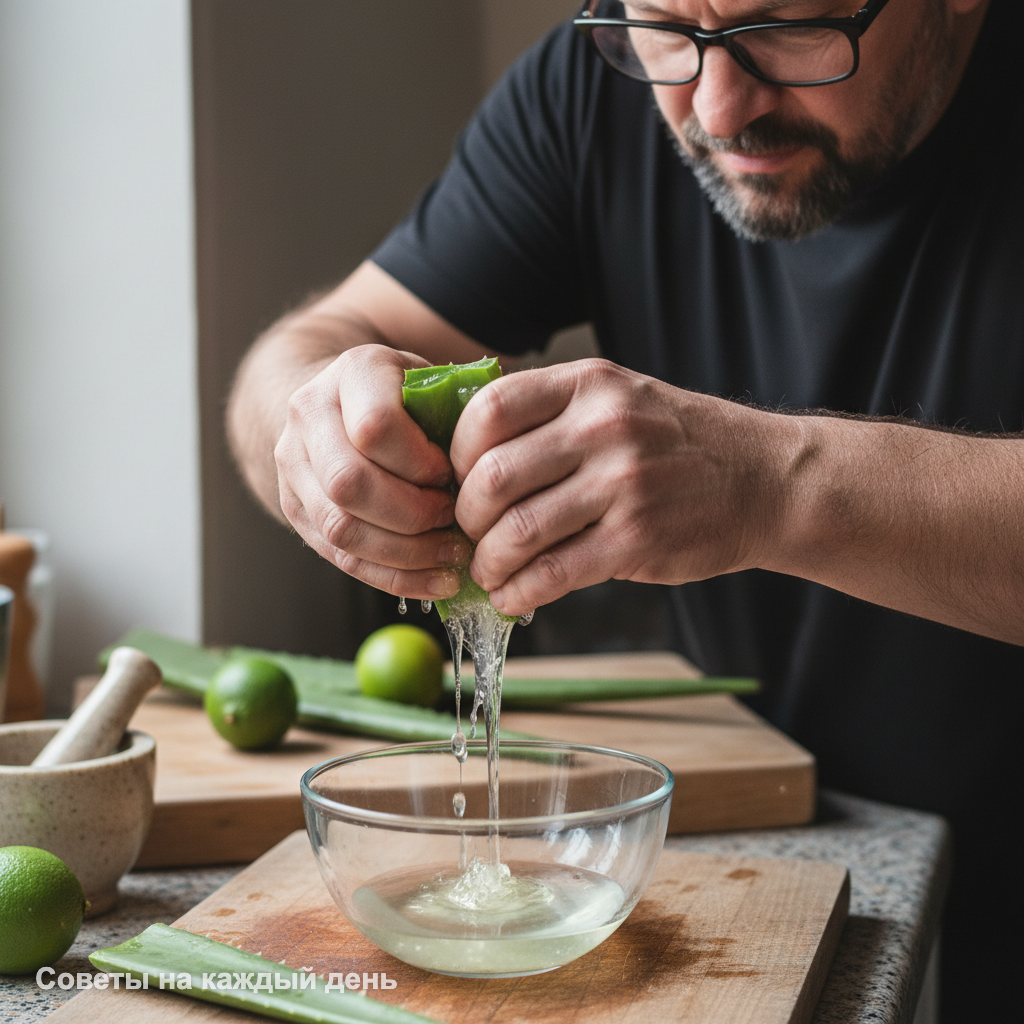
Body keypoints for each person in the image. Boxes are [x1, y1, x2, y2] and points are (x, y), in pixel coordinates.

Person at [227, 1, 1022, 1018]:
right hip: (791, 857)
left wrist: (766, 482)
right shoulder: (589, 89)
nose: (719, 104)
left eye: (784, 26)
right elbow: (319, 343)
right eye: (664, 26)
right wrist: (314, 431)